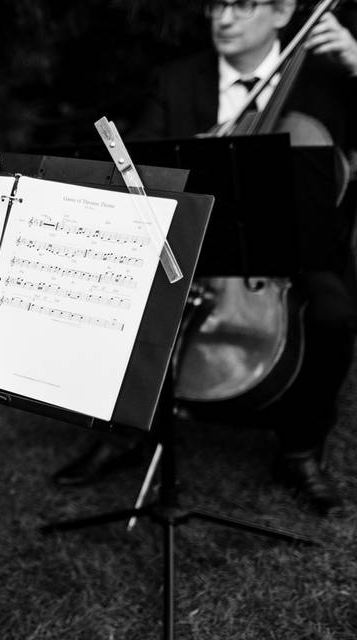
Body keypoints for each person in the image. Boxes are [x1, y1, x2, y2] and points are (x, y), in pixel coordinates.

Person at [53, 0, 357, 517]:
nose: (225, 17)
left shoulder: (327, 77)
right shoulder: (177, 80)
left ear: (284, 14)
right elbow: (138, 161)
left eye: (243, 5)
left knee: (334, 314)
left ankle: (300, 449)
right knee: (111, 288)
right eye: (217, 4)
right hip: (186, 237)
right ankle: (125, 429)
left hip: (288, 247)